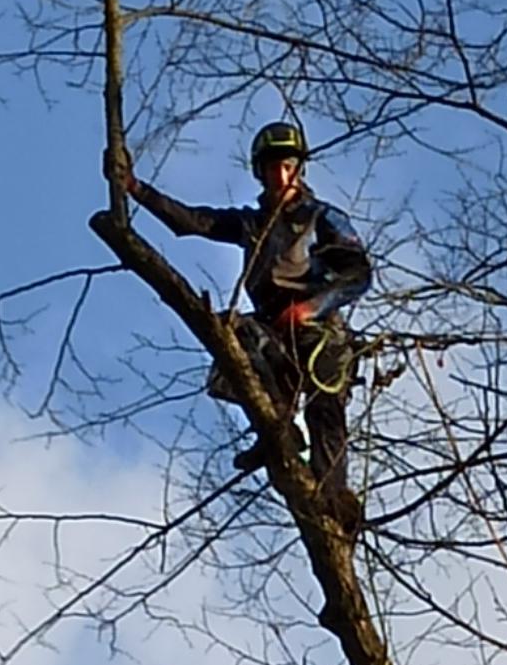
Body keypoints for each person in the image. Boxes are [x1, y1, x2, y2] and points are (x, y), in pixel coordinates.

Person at [112, 120, 374, 512]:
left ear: (298, 168)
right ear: (261, 172)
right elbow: (192, 220)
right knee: (229, 338)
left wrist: (310, 308)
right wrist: (134, 188)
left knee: (325, 407)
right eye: (272, 168)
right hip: (270, 326)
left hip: (318, 329)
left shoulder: (323, 218)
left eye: (287, 166)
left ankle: (334, 498)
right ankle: (276, 429)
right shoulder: (251, 223)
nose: (280, 175)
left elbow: (358, 275)